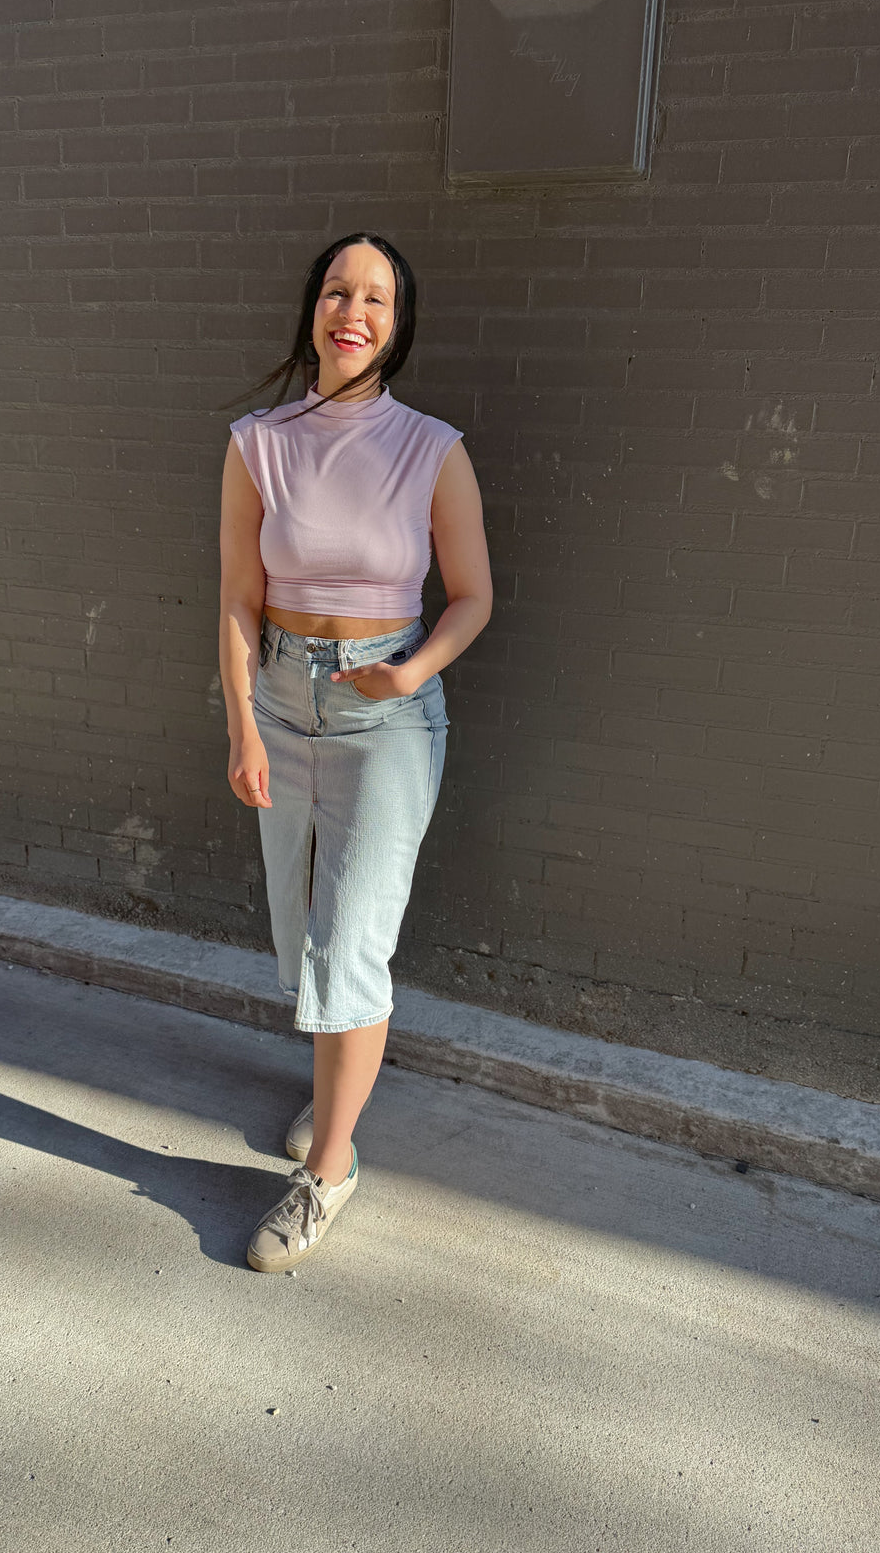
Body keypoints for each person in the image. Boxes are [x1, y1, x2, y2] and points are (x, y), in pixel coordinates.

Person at [217, 231, 492, 1273]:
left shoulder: (431, 447)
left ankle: (328, 1170)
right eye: (339, 290)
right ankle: (334, 1088)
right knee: (303, 936)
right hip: (281, 702)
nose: (354, 310)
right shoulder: (258, 442)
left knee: (353, 941)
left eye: (376, 296)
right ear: (314, 309)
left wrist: (415, 672)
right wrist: (244, 720)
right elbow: (239, 600)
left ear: (397, 321)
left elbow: (473, 595)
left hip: (385, 716)